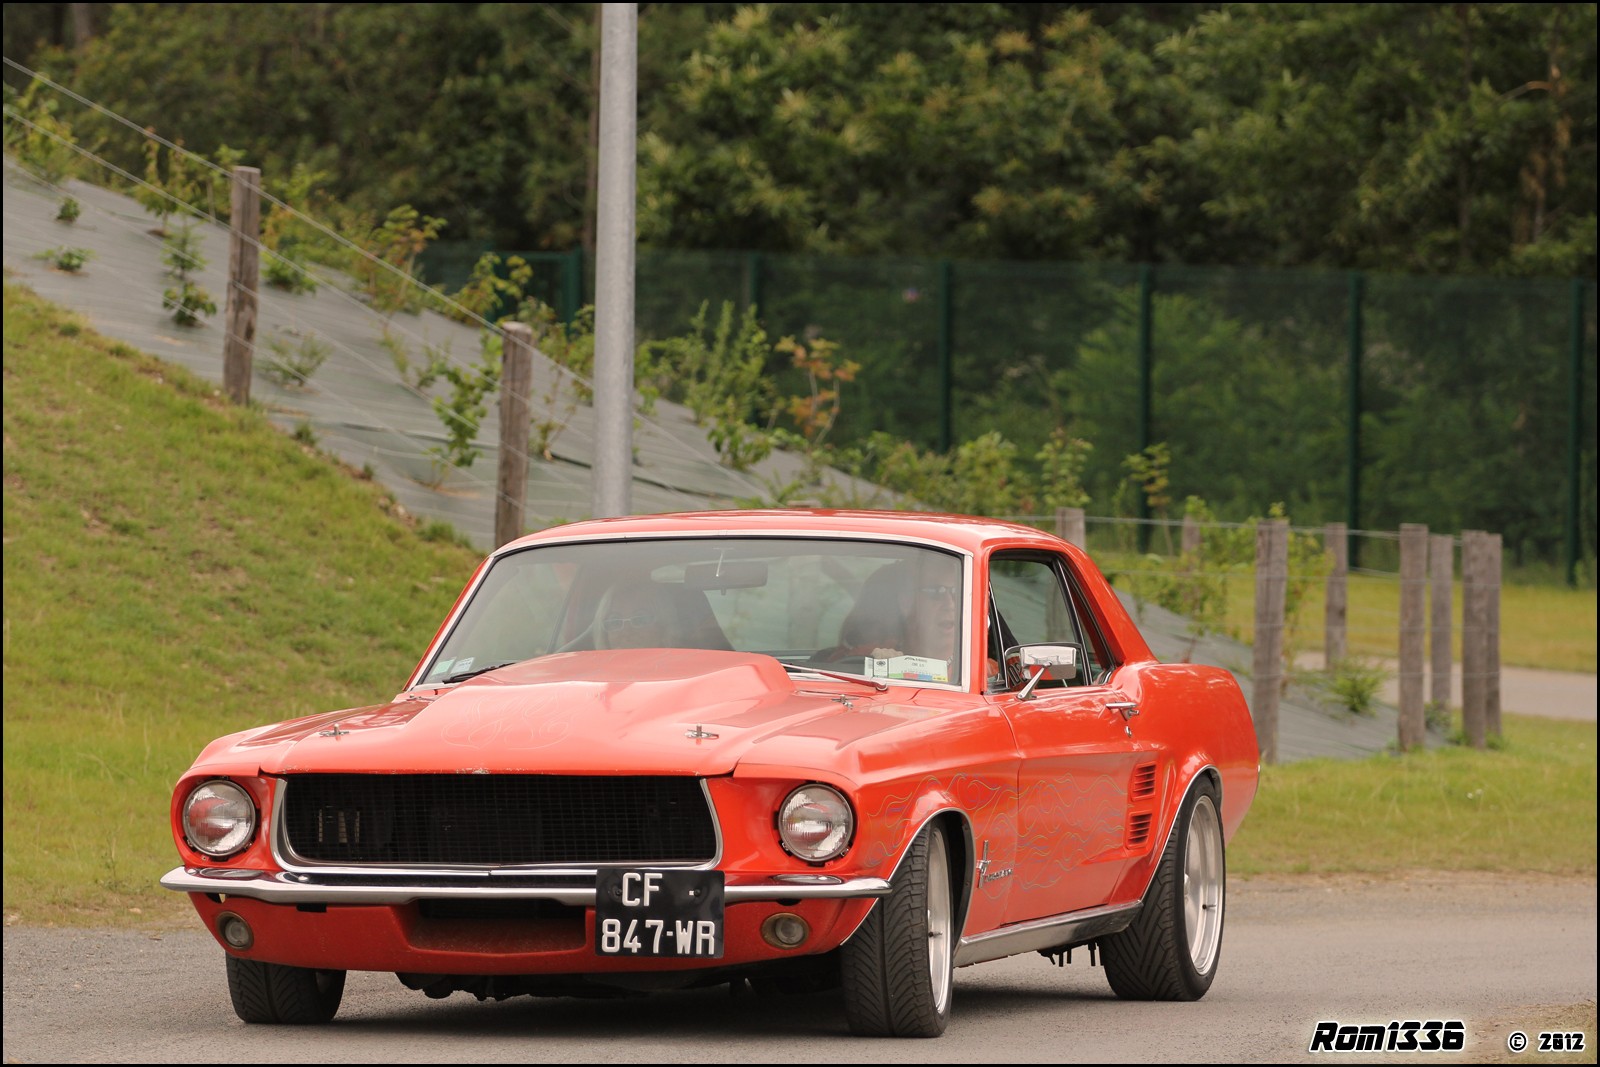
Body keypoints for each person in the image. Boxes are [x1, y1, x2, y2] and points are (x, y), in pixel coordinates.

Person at [594, 581, 679, 650]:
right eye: (615, 622)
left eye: (640, 620)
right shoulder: (589, 670)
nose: (626, 632)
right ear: (604, 635)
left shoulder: (681, 670)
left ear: (663, 628)